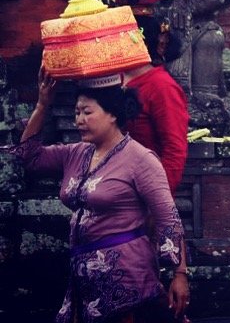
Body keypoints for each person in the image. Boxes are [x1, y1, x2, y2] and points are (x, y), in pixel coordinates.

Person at [16, 71, 189, 323]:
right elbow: (28, 157)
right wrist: (43, 105)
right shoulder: (76, 153)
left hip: (127, 277)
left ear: (113, 115)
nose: (79, 120)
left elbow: (167, 217)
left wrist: (180, 273)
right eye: (77, 112)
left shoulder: (140, 159)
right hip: (83, 277)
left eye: (88, 112)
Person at [124, 16, 190, 192]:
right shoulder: (112, 81)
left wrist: (158, 200)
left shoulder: (162, 87)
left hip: (143, 190)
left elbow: (174, 150)